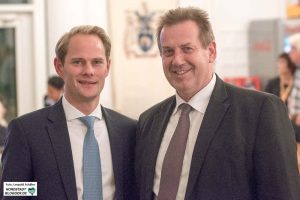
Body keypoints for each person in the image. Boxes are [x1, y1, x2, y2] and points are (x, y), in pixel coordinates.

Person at [135, 7, 300, 200]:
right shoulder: (149, 121)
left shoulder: (260, 112)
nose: (177, 60)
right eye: (168, 51)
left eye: (187, 48)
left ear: (211, 51)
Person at [0, 25, 136, 200]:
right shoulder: (27, 131)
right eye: (78, 62)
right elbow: (13, 193)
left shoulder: (128, 130)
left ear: (107, 67)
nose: (88, 71)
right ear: (59, 66)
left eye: (97, 62)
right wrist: (38, 190)